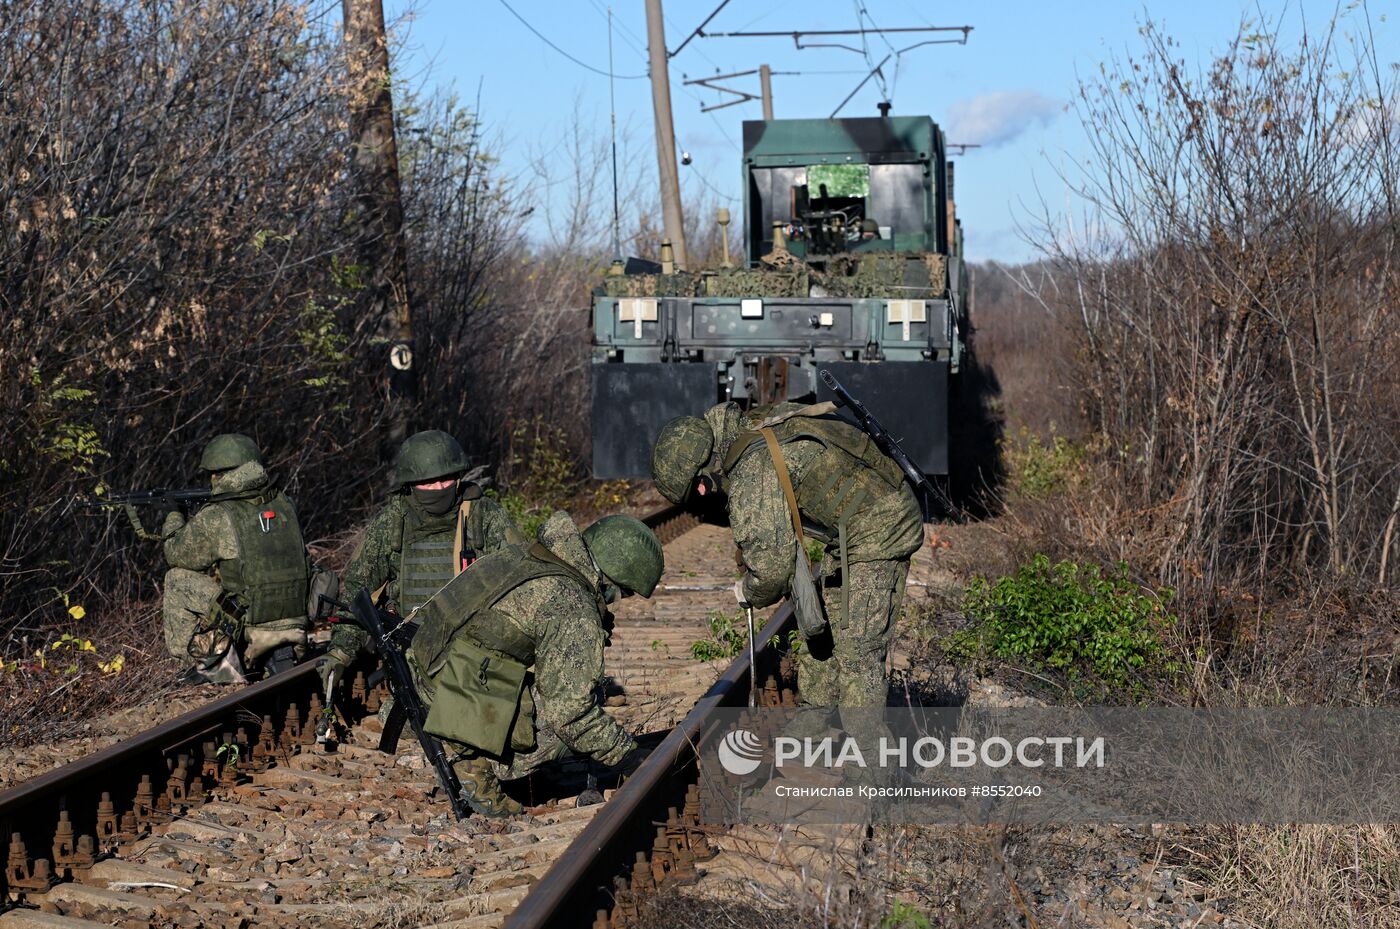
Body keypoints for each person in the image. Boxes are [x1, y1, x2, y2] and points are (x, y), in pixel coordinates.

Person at [650, 401, 922, 710]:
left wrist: (749, 591)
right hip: (853, 528)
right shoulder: (749, 425)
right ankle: (814, 729)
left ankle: (868, 753)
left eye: (698, 486)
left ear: (706, 467)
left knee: (856, 657)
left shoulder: (753, 470)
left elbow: (772, 569)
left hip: (881, 527)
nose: (703, 495)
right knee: (824, 643)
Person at [408, 511, 663, 817]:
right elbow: (570, 715)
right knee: (573, 710)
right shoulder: (570, 603)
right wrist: (628, 756)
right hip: (451, 698)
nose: (614, 600)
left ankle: (450, 732)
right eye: (621, 592)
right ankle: (477, 764)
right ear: (610, 578)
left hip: (425, 672)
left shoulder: (531, 554)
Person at [319, 429, 525, 690]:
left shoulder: (484, 516)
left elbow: (521, 579)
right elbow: (357, 592)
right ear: (410, 483)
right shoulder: (392, 523)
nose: (439, 489)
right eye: (428, 482)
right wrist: (341, 652)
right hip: (412, 655)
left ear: (459, 477)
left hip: (476, 655)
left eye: (447, 479)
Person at [128, 434, 314, 684]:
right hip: (298, 613)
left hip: (250, 619)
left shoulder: (217, 516)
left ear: (218, 474)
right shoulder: (284, 504)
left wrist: (174, 514)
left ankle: (196, 668)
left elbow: (176, 555)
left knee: (176, 579)